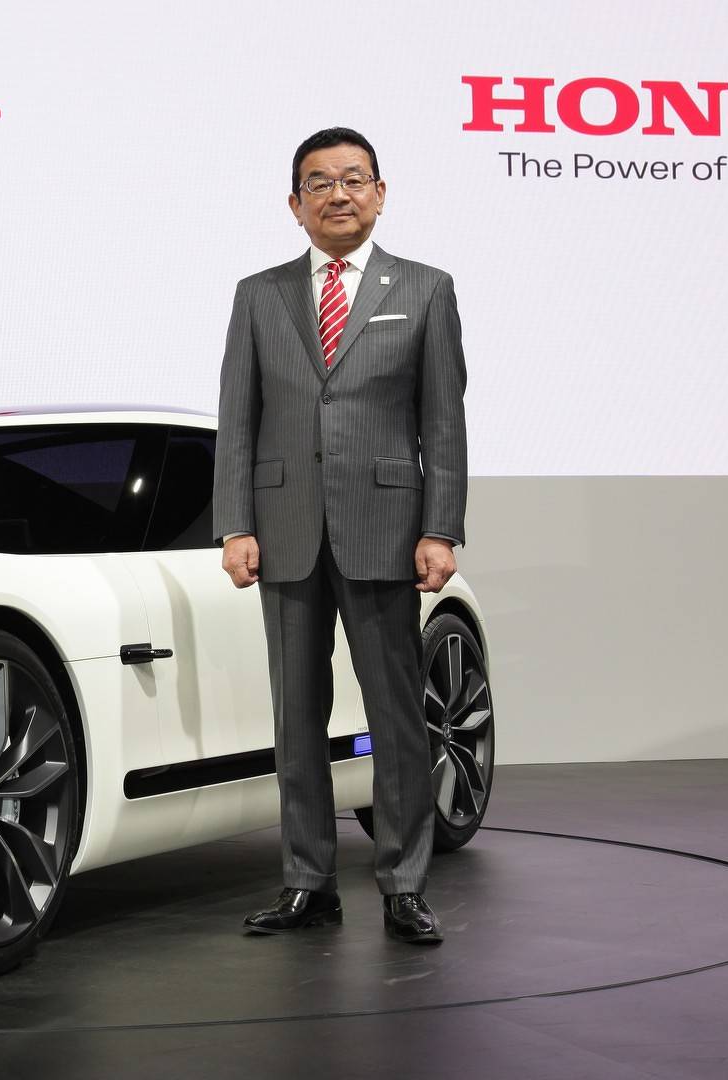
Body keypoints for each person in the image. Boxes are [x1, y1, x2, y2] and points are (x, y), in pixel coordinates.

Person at [212, 127, 468, 944]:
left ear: (380, 194)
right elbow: (237, 420)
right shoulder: (259, 294)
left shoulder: (425, 289)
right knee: (296, 720)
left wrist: (440, 529)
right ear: (295, 205)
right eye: (319, 183)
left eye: (353, 179)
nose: (338, 195)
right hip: (285, 529)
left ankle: (403, 885)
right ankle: (307, 882)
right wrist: (235, 524)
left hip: (385, 529)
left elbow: (443, 423)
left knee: (396, 716)